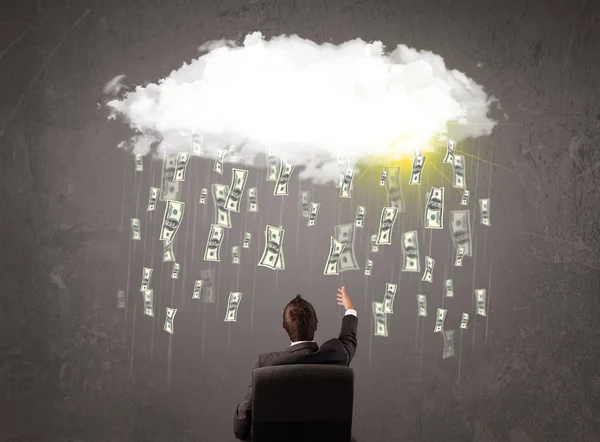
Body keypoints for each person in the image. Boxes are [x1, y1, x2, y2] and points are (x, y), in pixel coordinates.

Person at [233, 286, 358, 441]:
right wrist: (350, 309)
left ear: (285, 329)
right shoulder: (337, 354)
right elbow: (349, 338)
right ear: (316, 326)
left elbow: (241, 429)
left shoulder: (265, 366)